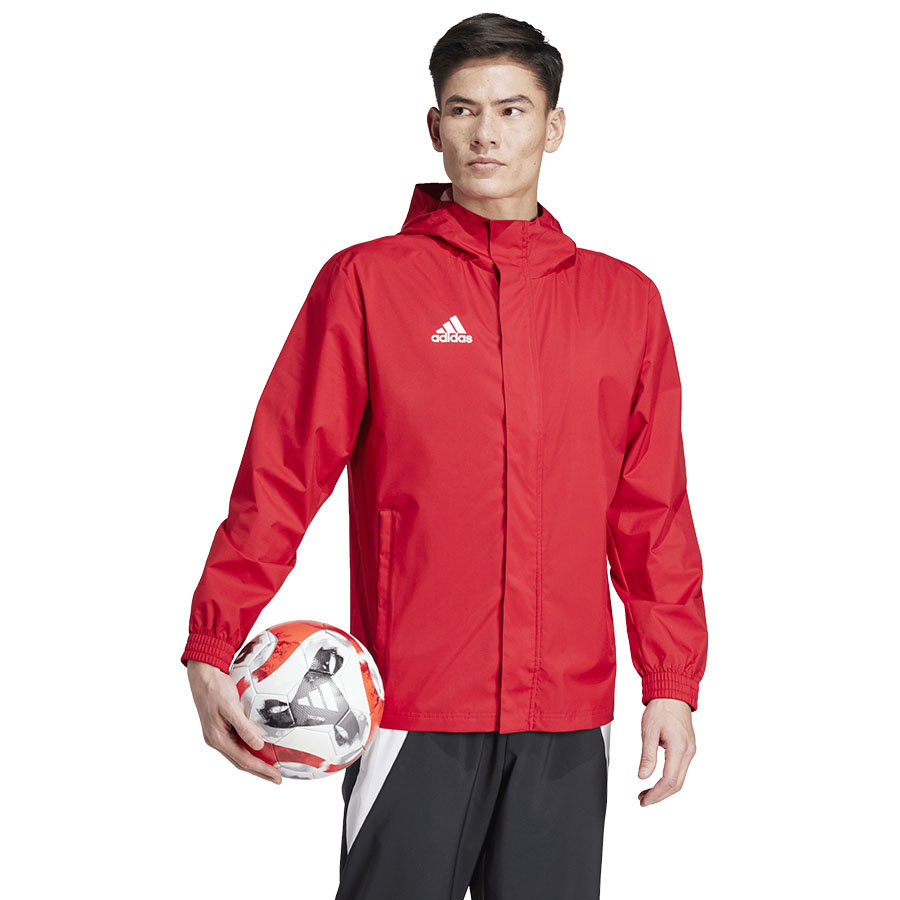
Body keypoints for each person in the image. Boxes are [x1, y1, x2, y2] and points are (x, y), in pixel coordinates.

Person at [182, 12, 708, 899]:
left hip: (566, 717)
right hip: (409, 708)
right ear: (435, 127)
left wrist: (672, 680)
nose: (486, 134)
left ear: (554, 126)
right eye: (464, 110)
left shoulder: (624, 303)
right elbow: (281, 473)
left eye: (511, 110)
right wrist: (213, 636)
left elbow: (651, 512)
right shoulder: (367, 282)